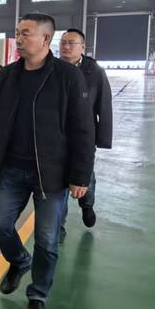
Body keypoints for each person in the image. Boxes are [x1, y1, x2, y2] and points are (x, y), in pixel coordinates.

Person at [0, 13, 95, 309]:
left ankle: (38, 296)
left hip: (51, 174)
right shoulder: (6, 77)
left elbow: (83, 130)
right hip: (11, 169)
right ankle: (19, 261)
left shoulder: (67, 77)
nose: (18, 39)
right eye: (17, 33)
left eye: (25, 33)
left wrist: (80, 176)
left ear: (45, 38)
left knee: (46, 239)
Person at [59, 28, 113, 240]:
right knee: (56, 181)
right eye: (63, 42)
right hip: (55, 134)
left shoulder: (95, 72)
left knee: (85, 174)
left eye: (71, 43)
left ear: (83, 46)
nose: (66, 46)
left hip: (84, 135)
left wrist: (102, 138)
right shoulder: (52, 69)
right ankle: (58, 225)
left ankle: (87, 204)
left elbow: (104, 106)